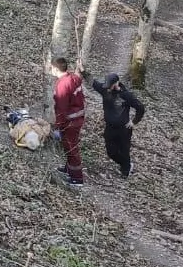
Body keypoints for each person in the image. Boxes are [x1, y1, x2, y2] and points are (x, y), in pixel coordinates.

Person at [78, 65, 146, 178]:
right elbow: (93, 82)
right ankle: (126, 164)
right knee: (111, 152)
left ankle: (126, 170)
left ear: (116, 84)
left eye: (110, 86)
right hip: (110, 128)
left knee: (124, 151)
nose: (108, 88)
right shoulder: (105, 90)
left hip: (124, 129)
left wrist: (134, 122)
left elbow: (140, 108)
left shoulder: (126, 95)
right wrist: (83, 71)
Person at [51, 57, 86, 187]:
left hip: (70, 121)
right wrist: (79, 68)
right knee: (69, 146)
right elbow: (78, 77)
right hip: (77, 118)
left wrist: (57, 127)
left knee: (71, 148)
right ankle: (69, 168)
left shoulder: (62, 84)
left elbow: (61, 108)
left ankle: (77, 178)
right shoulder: (73, 77)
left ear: (55, 69)